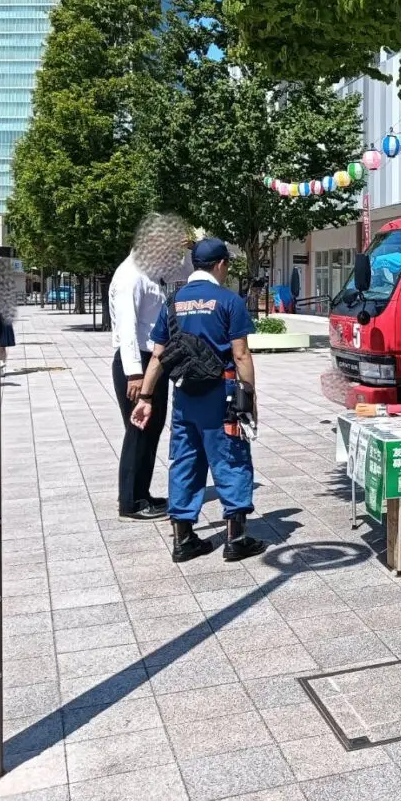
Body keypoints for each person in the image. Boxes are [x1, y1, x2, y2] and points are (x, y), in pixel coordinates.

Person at [130, 239, 266, 562]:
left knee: (185, 461)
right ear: (220, 265)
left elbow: (159, 356)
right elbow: (241, 353)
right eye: (227, 265)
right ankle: (237, 538)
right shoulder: (229, 301)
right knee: (230, 458)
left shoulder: (173, 302)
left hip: (185, 397)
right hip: (222, 396)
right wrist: (251, 398)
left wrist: (146, 397)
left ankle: (184, 539)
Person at [109, 252, 171, 520]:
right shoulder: (130, 275)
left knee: (151, 429)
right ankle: (131, 502)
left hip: (152, 360)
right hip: (138, 363)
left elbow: (185, 270)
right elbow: (127, 327)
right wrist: (135, 373)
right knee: (138, 431)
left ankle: (141, 493)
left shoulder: (150, 270)